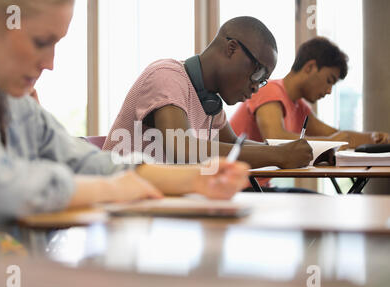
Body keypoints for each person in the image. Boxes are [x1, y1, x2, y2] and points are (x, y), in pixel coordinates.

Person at [0, 0, 250, 240]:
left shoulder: (12, 101)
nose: (50, 63)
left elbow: (84, 161)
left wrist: (196, 179)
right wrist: (111, 190)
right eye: (41, 42)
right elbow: (2, 186)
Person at [103, 16, 314, 171]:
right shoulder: (167, 76)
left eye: (263, 80)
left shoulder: (209, 101)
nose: (257, 87)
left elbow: (233, 144)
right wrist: (278, 155)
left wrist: (297, 151)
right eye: (258, 72)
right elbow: (183, 150)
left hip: (158, 209)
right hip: (121, 211)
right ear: (232, 48)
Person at [230, 36, 389, 148]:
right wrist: (330, 143)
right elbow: (274, 139)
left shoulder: (300, 107)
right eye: (329, 80)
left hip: (260, 187)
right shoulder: (270, 89)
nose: (328, 91)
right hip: (237, 189)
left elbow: (336, 135)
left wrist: (375, 137)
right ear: (310, 67)